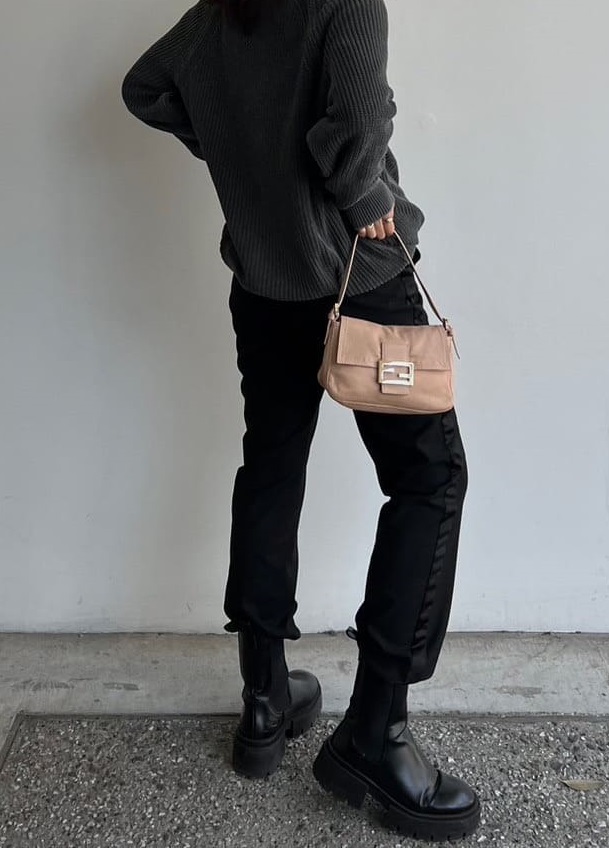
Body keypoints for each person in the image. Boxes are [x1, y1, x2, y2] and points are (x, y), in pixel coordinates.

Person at [122, 0, 480, 840]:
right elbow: (351, 126)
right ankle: (375, 733)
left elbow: (147, 86)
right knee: (429, 479)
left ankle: (264, 699)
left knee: (272, 464)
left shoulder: (224, 11)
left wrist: (240, 148)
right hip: (359, 274)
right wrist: (360, 191)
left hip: (264, 279)